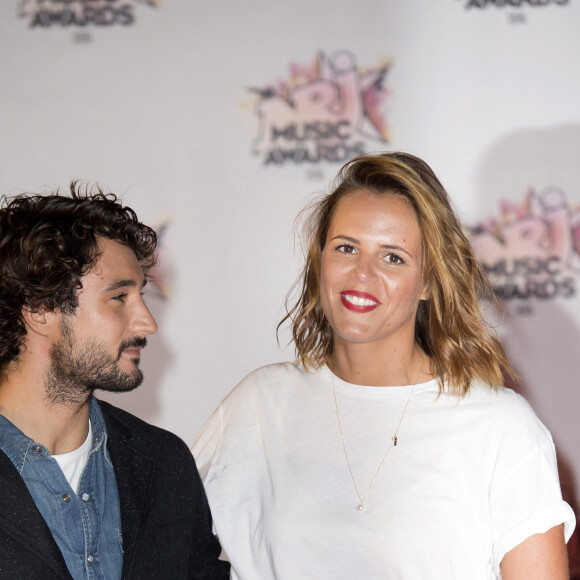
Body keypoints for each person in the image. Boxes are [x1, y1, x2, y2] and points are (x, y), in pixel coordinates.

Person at [193, 152, 576, 579]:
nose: (362, 273)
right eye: (346, 248)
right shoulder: (259, 406)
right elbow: (155, 542)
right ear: (321, 260)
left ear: (429, 281)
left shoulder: (501, 427)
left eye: (392, 257)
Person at [0, 184, 229, 580]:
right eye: (119, 297)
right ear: (40, 309)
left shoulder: (164, 463)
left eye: (142, 295)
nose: (148, 323)